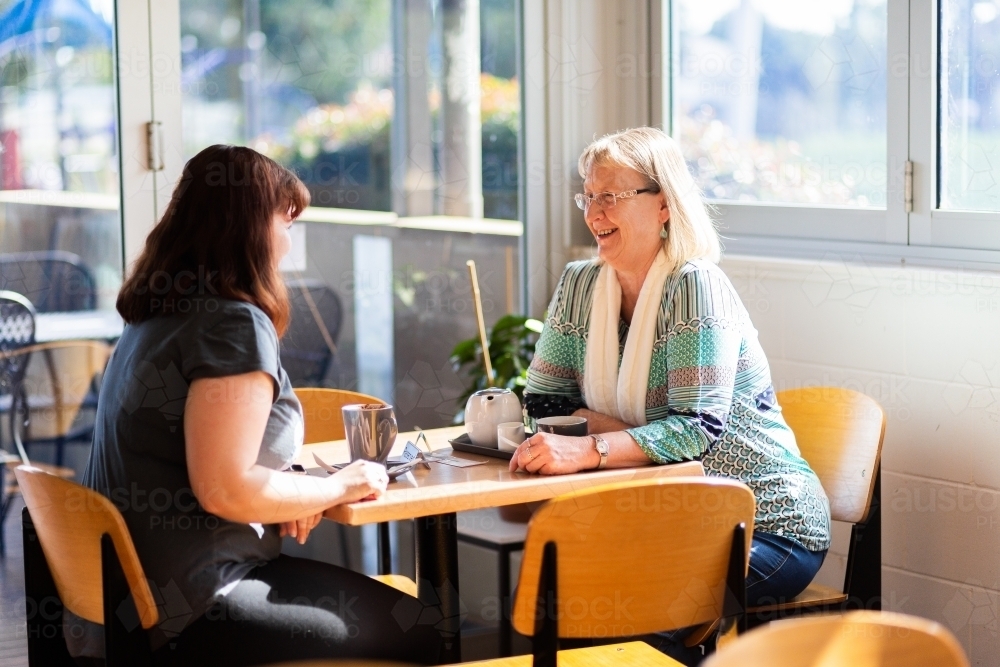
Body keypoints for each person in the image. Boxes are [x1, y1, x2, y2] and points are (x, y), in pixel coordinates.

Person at [69, 145, 441, 666]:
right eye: (285, 223)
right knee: (428, 628)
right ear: (248, 228)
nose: (288, 243)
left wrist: (293, 493)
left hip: (135, 601)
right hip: (200, 602)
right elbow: (224, 486)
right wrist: (335, 485)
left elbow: (207, 456)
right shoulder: (230, 323)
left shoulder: (151, 317)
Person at [514, 127, 831, 611]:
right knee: (558, 598)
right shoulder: (579, 284)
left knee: (644, 606)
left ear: (664, 204)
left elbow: (695, 429)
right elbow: (544, 403)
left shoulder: (695, 285)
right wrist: (634, 437)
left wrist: (593, 447)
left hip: (766, 525)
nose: (595, 213)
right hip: (663, 519)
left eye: (612, 196)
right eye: (589, 197)